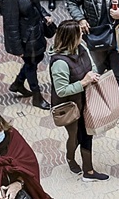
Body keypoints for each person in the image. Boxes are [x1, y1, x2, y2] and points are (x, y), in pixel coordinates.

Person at [45, 19, 107, 181]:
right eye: (79, 33)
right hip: (70, 106)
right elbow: (61, 90)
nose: (82, 35)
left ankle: (89, 171)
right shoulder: (59, 63)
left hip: (86, 100)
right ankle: (71, 157)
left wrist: (93, 75)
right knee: (75, 137)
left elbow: (92, 66)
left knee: (87, 134)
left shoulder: (82, 48)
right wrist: (84, 82)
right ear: (71, 37)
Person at [0, 0, 50, 104]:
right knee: (31, 64)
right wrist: (17, 47)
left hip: (35, 30)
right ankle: (37, 97)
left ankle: (18, 82)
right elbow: (10, 24)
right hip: (26, 37)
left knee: (35, 59)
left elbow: (35, 4)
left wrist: (44, 15)